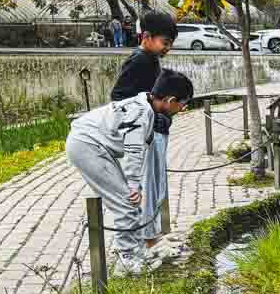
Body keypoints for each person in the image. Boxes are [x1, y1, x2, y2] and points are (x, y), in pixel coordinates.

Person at [66, 71, 193, 275]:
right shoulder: (141, 114)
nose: (183, 108)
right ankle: (126, 260)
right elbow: (133, 151)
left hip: (95, 146)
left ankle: (136, 252)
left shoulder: (145, 105)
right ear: (170, 100)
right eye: (183, 103)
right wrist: (134, 184)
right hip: (87, 145)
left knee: (128, 201)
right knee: (126, 200)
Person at [110, 12, 179, 254]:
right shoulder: (139, 60)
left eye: (170, 44)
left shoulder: (151, 59)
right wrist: (148, 113)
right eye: (165, 43)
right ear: (147, 37)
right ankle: (148, 240)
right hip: (145, 134)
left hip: (155, 129)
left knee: (157, 184)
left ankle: (153, 236)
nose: (167, 49)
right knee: (149, 186)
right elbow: (118, 97)